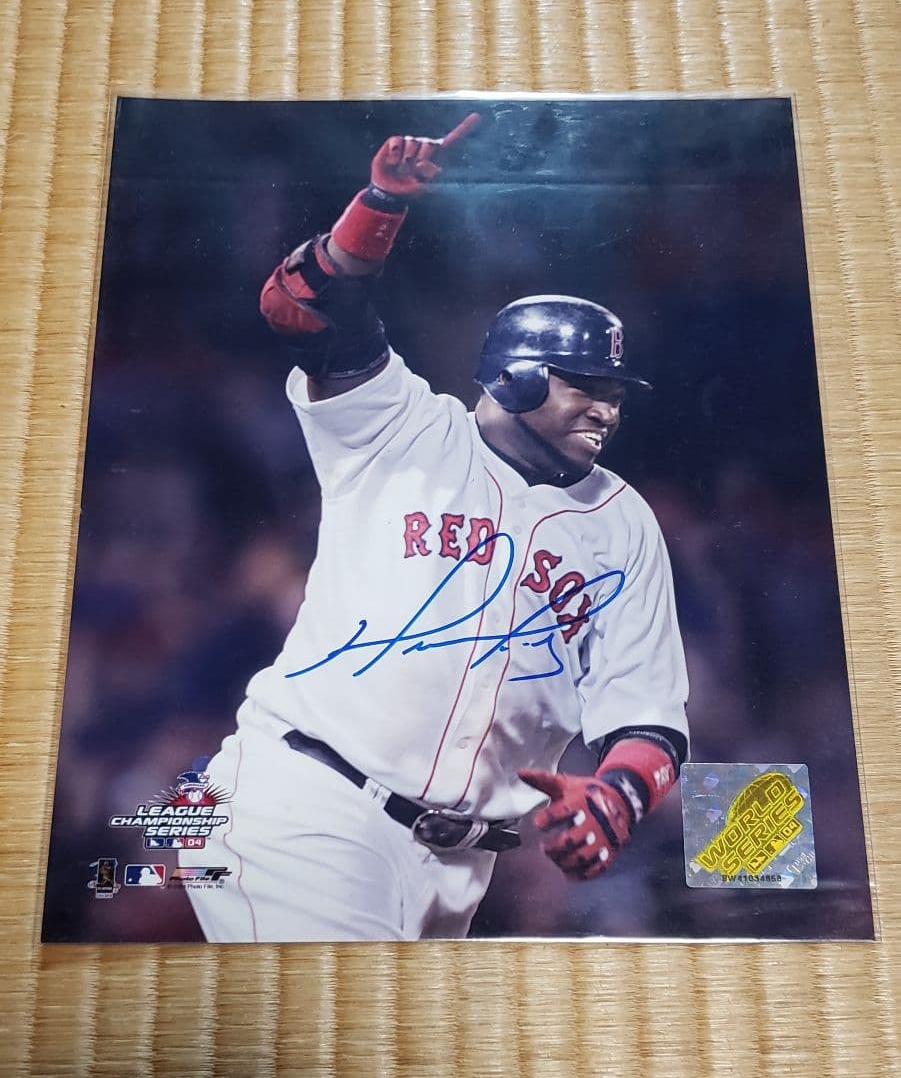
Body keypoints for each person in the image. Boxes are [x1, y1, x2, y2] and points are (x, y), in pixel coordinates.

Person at [180, 114, 689, 941]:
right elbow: (302, 307)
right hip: (308, 802)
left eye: (616, 393)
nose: (607, 408)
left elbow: (649, 715)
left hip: (459, 868)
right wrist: (378, 207)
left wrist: (617, 794)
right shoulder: (402, 425)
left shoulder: (623, 521)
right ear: (517, 375)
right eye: (586, 385)